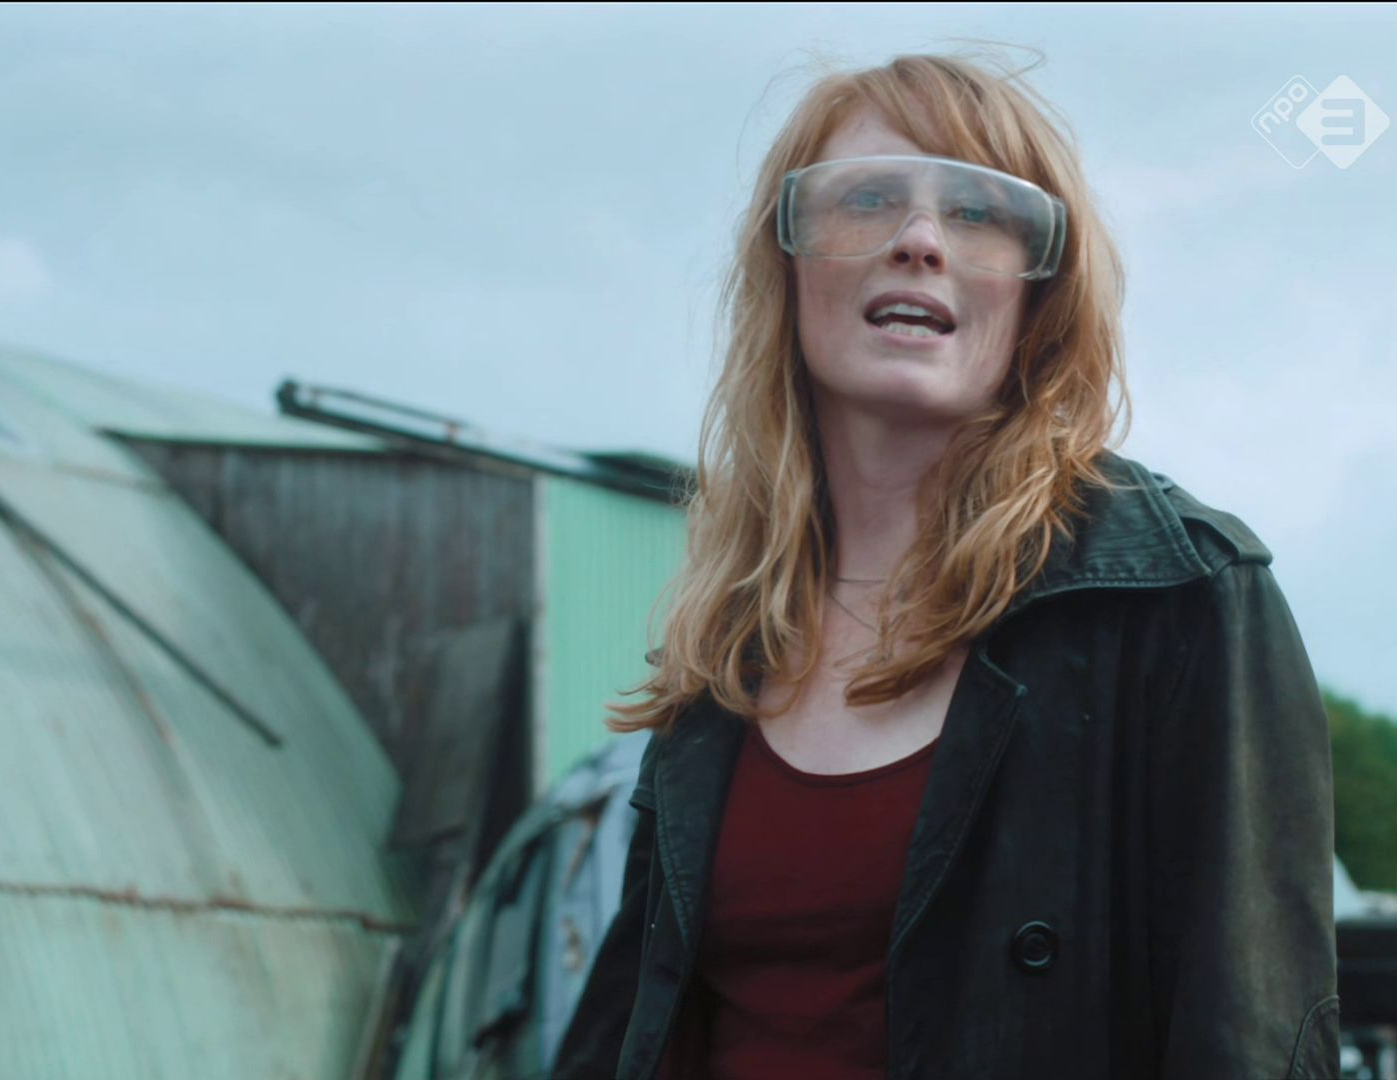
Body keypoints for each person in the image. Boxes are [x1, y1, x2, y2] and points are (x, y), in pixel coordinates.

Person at [551, 49, 1341, 1080]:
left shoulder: (1185, 597)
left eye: (977, 212)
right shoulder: (731, 632)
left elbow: (1251, 1044)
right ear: (788, 267)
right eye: (866, 198)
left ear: (1039, 293)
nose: (918, 240)